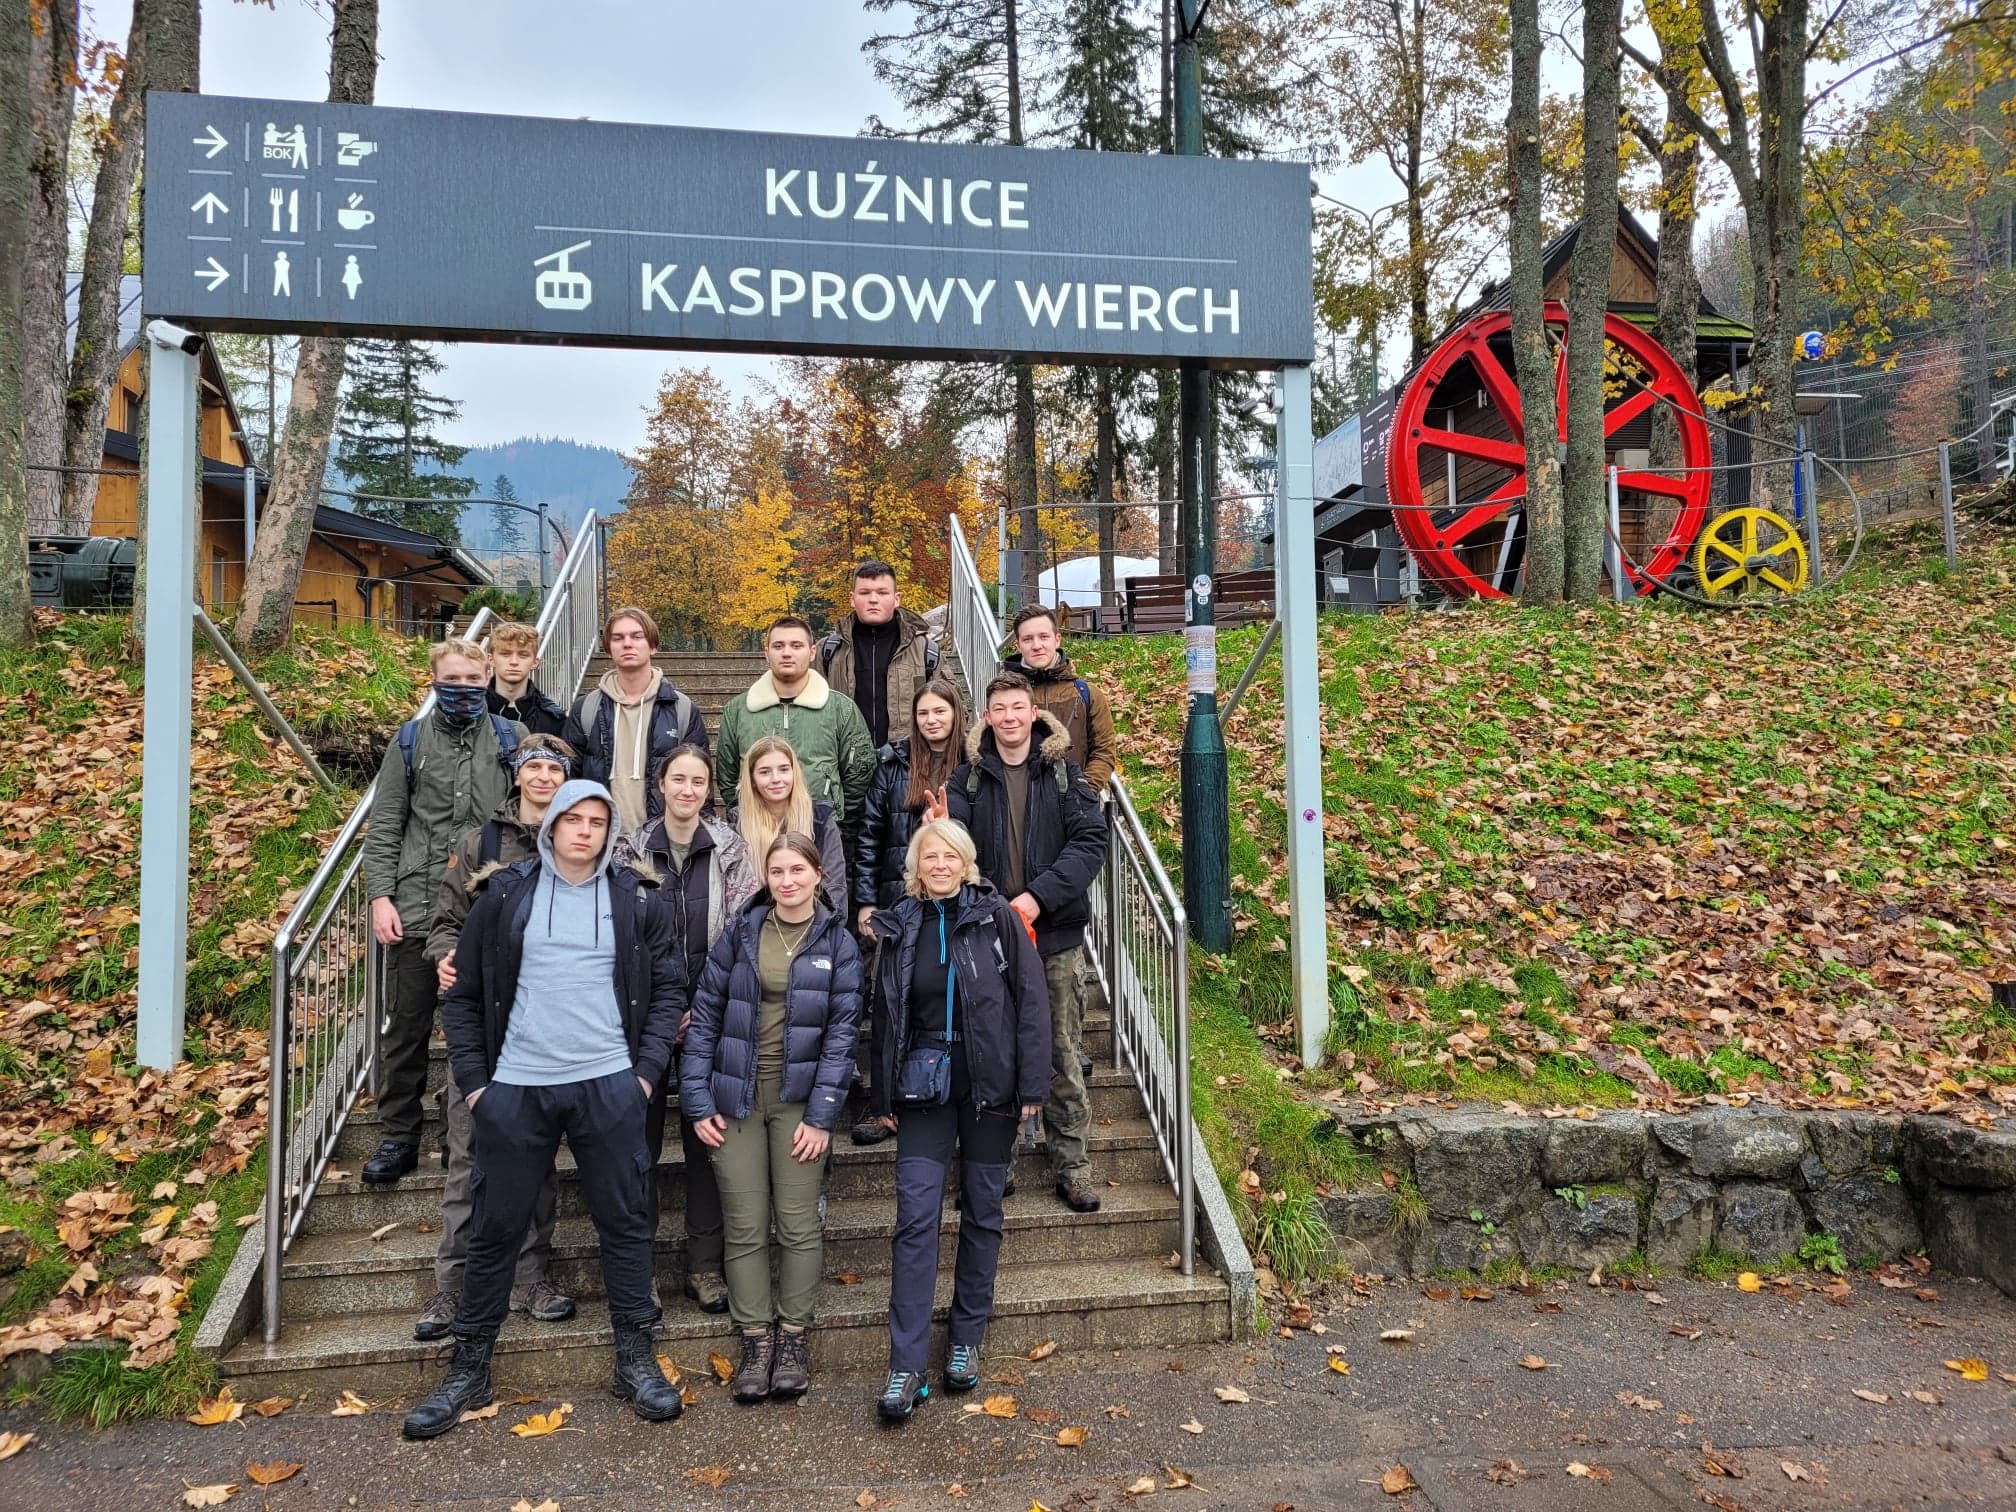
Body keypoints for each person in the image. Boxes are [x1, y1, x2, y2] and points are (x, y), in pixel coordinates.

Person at [403, 781, 685, 1439]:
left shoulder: (636, 900)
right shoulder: (504, 896)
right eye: (573, 819)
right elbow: (462, 998)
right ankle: (469, 1367)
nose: (584, 830)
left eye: (597, 821)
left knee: (625, 1223)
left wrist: (643, 1078)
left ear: (609, 831)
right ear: (551, 825)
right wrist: (479, 1087)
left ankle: (634, 1357)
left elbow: (670, 989)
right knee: (495, 1228)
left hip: (608, 1086)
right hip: (518, 1088)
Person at [866, 819, 1048, 1423]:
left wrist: (1033, 1083)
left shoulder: (997, 919)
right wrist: (882, 1093)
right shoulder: (901, 923)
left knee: (983, 1212)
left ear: (966, 862)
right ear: (915, 867)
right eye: (929, 856)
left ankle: (966, 1338)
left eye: (949, 856)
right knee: (915, 1218)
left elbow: (1031, 999)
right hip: (923, 1086)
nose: (939, 865)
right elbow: (885, 1012)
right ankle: (906, 1364)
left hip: (990, 1085)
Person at [681, 832, 862, 1405]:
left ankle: (793, 1340)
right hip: (734, 1096)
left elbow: (841, 1037)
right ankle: (756, 1341)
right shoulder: (740, 934)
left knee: (798, 1223)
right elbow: (705, 1018)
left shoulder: (839, 942)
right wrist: (697, 1099)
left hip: (799, 1103)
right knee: (745, 1224)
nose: (787, 881)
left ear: (818, 876)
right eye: (777, 871)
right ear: (766, 877)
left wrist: (823, 1116)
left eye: (797, 871)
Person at [415, 734, 579, 1341]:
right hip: (484, 1025)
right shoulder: (479, 844)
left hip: (548, 1027)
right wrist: (446, 957)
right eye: (533, 766)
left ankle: (530, 1277)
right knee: (468, 1158)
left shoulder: (576, 843)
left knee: (536, 1161)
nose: (543, 777)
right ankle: (453, 1286)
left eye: (554, 769)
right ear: (517, 775)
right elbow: (443, 923)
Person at [360, 639, 527, 1187]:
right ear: (433, 679)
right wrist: (380, 896)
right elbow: (386, 823)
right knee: (407, 1027)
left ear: (487, 677)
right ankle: (398, 1135)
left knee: (482, 1024)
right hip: (417, 904)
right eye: (451, 679)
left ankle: (465, 1130)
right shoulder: (409, 742)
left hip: (487, 909)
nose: (462, 688)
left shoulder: (511, 739)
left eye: (472, 679)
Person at [943, 672, 1109, 1214]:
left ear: (1032, 713)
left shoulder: (1063, 773)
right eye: (1000, 709)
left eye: (1018, 707)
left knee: (1060, 1052)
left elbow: (1090, 842)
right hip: (990, 940)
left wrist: (1038, 897)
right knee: (993, 1054)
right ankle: (997, 1165)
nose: (1010, 717)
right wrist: (992, 905)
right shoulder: (967, 780)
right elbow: (954, 851)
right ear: (987, 717)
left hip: (1054, 937)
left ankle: (1073, 1168)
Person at [613, 744, 761, 1316]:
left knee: (708, 1140)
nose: (688, 790)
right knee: (638, 1146)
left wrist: (705, 1004)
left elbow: (744, 932)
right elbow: (620, 935)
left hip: (710, 1013)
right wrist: (656, 1007)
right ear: (660, 784)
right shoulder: (628, 852)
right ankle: (640, 1268)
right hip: (643, 1017)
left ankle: (704, 1265)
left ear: (707, 790)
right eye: (678, 779)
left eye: (698, 781)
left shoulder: (731, 850)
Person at [849, 678, 967, 1147]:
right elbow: (869, 835)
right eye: (923, 713)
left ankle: (954, 1098)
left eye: (940, 711)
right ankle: (884, 1106)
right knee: (889, 1005)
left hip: (956, 903)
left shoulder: (974, 764)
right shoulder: (893, 763)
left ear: (956, 714)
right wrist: (865, 901)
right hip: (899, 902)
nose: (931, 720)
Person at [715, 615, 874, 836]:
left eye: (796, 645)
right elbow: (728, 775)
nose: (787, 653)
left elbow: (860, 771)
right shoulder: (738, 710)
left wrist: (834, 815)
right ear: (767, 653)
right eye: (778, 646)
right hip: (757, 830)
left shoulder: (841, 709)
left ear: (812, 652)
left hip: (822, 829)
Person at [562, 606, 709, 835]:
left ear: (653, 645)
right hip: (601, 840)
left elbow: (700, 781)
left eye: (637, 636)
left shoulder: (681, 709)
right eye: (618, 638)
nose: (627, 644)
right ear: (608, 648)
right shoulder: (586, 709)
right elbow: (569, 779)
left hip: (662, 841)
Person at [818, 559, 940, 749]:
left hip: (909, 761)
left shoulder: (925, 650)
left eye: (882, 593)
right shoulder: (828, 651)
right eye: (864, 593)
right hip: (845, 760)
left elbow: (952, 710)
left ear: (896, 598)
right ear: (852, 598)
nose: (873, 599)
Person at [1000, 604, 1118, 793]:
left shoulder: (1087, 694)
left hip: (1076, 802)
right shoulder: (1003, 696)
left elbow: (1103, 751)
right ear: (1019, 645)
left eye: (1043, 637)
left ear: (1057, 639)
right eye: (1028, 639)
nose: (1037, 645)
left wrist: (1083, 793)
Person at [729, 734, 847, 917]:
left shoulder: (820, 822)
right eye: (764, 772)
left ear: (794, 772)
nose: (776, 779)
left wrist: (821, 928)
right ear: (752, 779)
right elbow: (734, 895)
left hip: (813, 924)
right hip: (755, 925)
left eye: (784, 769)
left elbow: (834, 888)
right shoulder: (738, 826)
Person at [485, 621, 567, 736]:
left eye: (523, 655)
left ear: (535, 662)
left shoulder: (553, 719)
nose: (514, 662)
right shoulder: (474, 711)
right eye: (505, 654)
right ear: (491, 659)